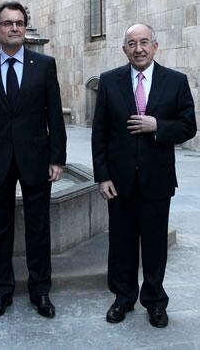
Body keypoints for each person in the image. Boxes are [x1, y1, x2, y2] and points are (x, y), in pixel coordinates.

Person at [92, 23, 197, 328]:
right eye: (131, 43)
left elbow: (188, 126)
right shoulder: (109, 82)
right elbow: (100, 134)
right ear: (124, 48)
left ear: (155, 45)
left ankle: (154, 302)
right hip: (119, 181)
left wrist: (158, 126)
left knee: (154, 245)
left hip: (157, 179)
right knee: (121, 243)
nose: (138, 48)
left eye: (144, 42)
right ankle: (123, 298)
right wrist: (103, 176)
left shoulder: (175, 82)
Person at [0, 1, 66, 319]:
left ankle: (41, 291)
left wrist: (57, 158)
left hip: (36, 158)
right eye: (8, 23)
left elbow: (54, 114)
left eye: (20, 23)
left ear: (25, 28)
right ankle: (1, 292)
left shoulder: (44, 65)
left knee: (38, 228)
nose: (14, 28)